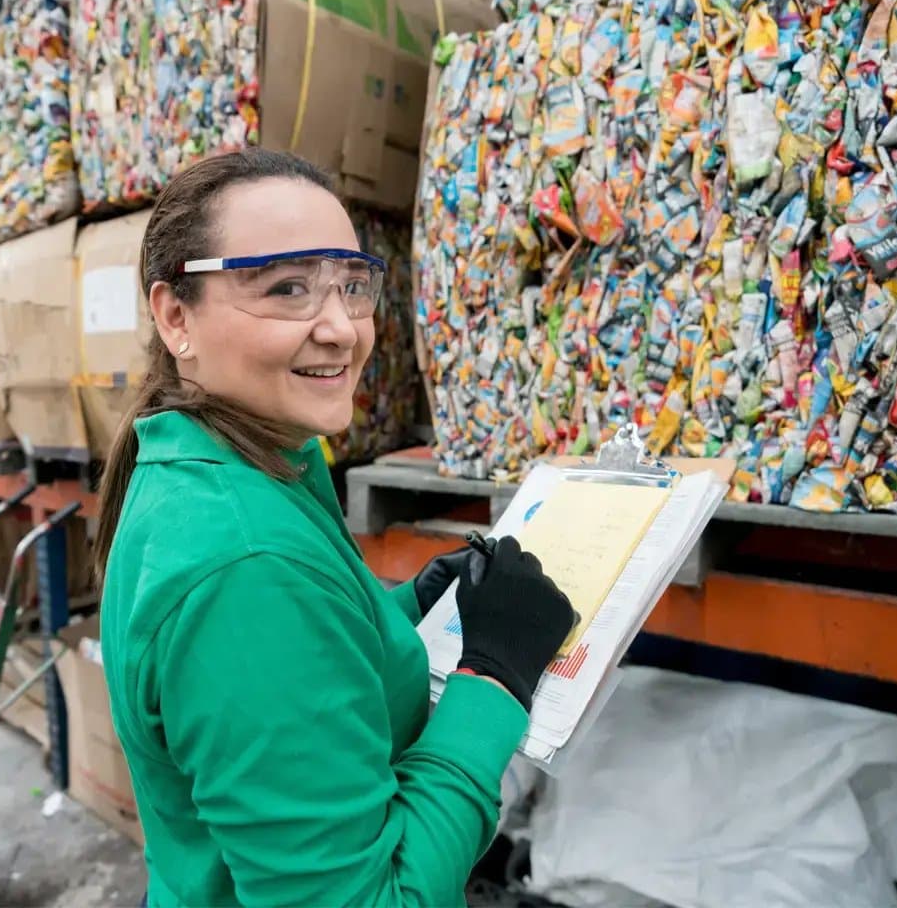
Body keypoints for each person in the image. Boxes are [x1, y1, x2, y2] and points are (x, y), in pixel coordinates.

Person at [96, 148, 576, 907]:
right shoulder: (246, 566)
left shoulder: (218, 465)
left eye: (352, 286)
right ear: (175, 315)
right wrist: (494, 680)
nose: (342, 329)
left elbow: (289, 675)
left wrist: (401, 606)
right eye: (287, 288)